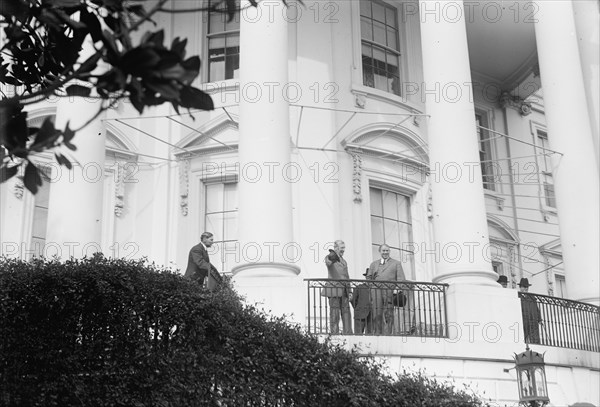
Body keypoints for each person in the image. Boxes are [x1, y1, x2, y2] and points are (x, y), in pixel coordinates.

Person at [367, 244, 405, 335]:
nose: (385, 252)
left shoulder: (396, 263)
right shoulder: (374, 264)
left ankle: (388, 334)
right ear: (380, 252)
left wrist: (398, 289)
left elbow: (401, 278)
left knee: (389, 313)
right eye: (383, 251)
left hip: (389, 291)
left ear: (389, 251)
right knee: (377, 312)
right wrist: (372, 287)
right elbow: (368, 278)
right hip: (376, 291)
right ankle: (377, 333)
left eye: (387, 250)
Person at [322, 240, 352, 335]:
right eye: (341, 248)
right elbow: (328, 263)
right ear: (336, 248)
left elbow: (347, 276)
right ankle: (334, 333)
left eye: (344, 248)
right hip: (334, 289)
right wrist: (332, 255)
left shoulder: (344, 261)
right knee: (334, 313)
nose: (343, 250)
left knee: (346, 313)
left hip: (344, 290)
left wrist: (350, 291)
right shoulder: (330, 257)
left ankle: (348, 333)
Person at [519, 278, 542, 343]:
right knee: (522, 337)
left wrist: (539, 319)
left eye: (527, 287)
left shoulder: (532, 297)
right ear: (520, 287)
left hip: (533, 321)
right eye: (524, 287)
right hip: (523, 320)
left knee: (535, 339)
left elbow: (536, 308)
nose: (526, 288)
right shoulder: (517, 296)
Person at [351, 269, 373, 335]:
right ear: (366, 277)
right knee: (358, 334)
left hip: (372, 315)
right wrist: (357, 308)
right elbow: (353, 300)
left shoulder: (375, 288)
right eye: (368, 277)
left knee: (371, 335)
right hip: (360, 313)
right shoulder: (359, 287)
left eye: (371, 277)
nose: (369, 279)